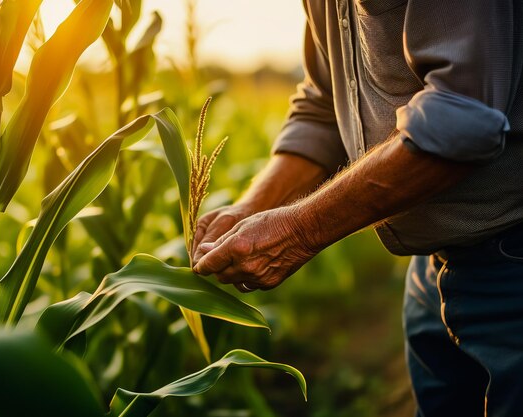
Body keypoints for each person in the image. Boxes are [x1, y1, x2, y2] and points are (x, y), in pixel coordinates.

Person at [192, 1, 523, 416]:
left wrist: (298, 232)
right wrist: (251, 207)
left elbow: (460, 120)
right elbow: (323, 107)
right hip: (429, 270)